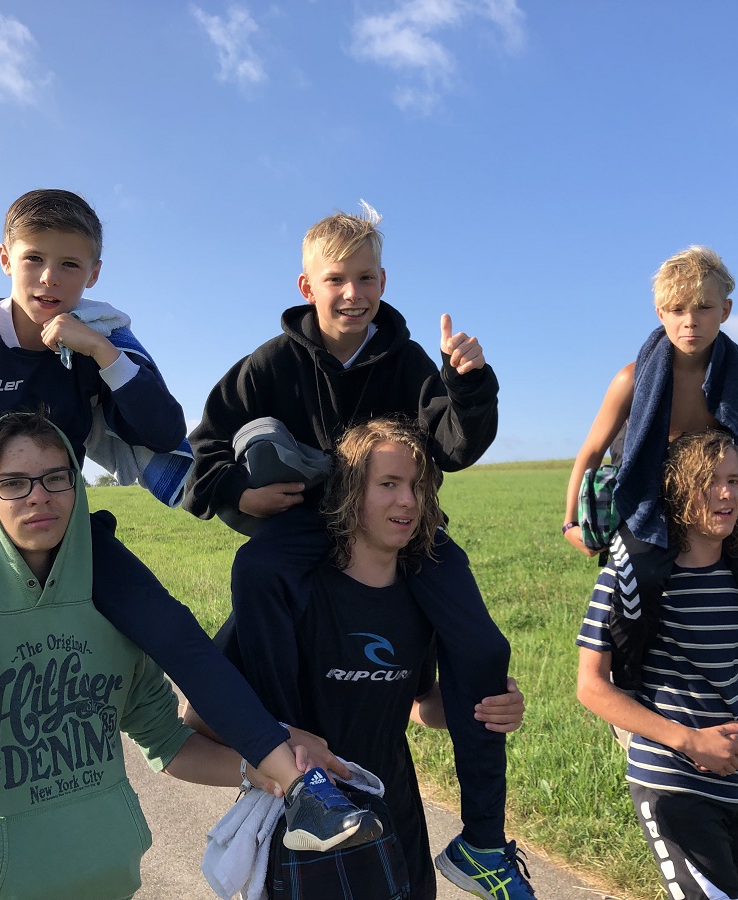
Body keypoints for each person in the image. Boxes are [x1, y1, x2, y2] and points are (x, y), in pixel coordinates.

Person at [0, 190, 372, 867]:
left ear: (94, 273)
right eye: (34, 260)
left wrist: (102, 353)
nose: (50, 279)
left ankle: (302, 791)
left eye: (70, 265)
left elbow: (163, 428)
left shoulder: (93, 341)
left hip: (68, 530)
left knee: (173, 628)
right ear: (4, 258)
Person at [0, 413, 368, 899]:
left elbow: (167, 742)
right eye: (14, 483)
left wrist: (258, 766)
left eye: (57, 478)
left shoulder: (111, 610)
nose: (40, 497)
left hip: (110, 886)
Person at [182, 203, 532, 897]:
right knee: (256, 566)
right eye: (336, 279)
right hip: (308, 524)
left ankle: (484, 842)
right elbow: (204, 451)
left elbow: (454, 446)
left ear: (383, 281)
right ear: (307, 286)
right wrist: (242, 493)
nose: (353, 293)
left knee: (483, 648)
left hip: (400, 522)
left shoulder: (407, 360)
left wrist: (468, 384)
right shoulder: (271, 364)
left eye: (366, 278)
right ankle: (294, 758)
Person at [190, 418, 531, 899]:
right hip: (310, 825)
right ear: (350, 492)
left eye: (417, 486)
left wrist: (486, 707)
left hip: (396, 816)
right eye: (388, 484)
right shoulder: (290, 592)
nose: (408, 500)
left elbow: (419, 704)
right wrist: (281, 738)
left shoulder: (421, 595)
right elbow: (200, 718)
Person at [561, 246, 738, 689]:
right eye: (678, 309)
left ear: (725, 311)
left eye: (703, 307)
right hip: (650, 507)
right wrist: (572, 525)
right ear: (660, 313)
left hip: (722, 508)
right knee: (638, 584)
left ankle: (724, 677)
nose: (690, 321)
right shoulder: (632, 379)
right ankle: (631, 690)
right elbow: (590, 452)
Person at [576, 429, 738, 900]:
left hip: (735, 782)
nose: (727, 494)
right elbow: (591, 687)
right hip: (669, 777)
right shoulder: (631, 578)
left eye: (734, 481)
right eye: (710, 482)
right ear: (678, 493)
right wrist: (689, 741)